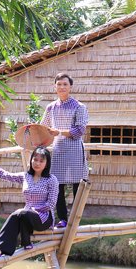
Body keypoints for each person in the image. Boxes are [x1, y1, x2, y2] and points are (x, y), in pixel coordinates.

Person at [0, 147, 58, 261]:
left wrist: (32, 211)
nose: (37, 163)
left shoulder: (51, 179)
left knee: (20, 213)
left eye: (41, 161)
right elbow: (3, 174)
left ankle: (1, 249)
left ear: (47, 163)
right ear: (31, 160)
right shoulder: (26, 176)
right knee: (19, 215)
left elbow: (51, 204)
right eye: (35, 159)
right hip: (26, 216)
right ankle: (1, 249)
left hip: (43, 218)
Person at [40, 72, 88, 228]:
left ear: (70, 87)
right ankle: (62, 219)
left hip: (74, 149)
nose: (62, 87)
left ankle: (75, 219)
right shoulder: (50, 107)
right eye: (59, 84)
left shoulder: (79, 107)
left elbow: (80, 130)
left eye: (65, 84)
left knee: (77, 184)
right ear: (55, 87)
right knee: (57, 184)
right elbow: (43, 128)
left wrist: (59, 132)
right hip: (58, 149)